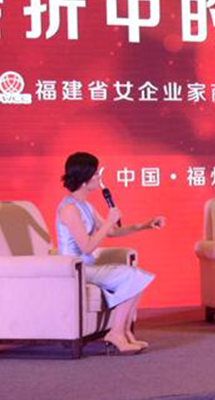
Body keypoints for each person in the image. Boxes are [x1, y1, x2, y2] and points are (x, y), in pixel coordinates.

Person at [56, 152, 165, 354]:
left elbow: (113, 232)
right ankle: (115, 334)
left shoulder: (85, 205)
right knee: (132, 276)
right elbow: (87, 246)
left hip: (87, 267)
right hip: (76, 269)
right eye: (96, 174)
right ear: (84, 180)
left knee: (137, 278)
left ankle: (124, 332)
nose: (99, 177)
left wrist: (145, 225)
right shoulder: (69, 209)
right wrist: (108, 221)